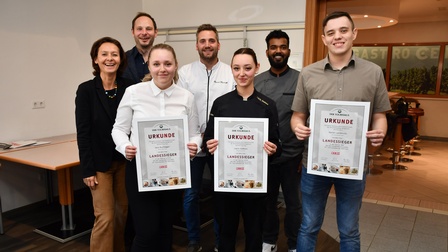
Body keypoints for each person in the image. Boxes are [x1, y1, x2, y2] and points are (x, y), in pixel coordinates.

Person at [290, 11, 390, 252]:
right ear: (324, 38)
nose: (338, 37)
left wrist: (379, 133)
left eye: (343, 30)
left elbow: (379, 116)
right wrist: (298, 129)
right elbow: (298, 116)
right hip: (314, 165)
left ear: (354, 34)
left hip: (353, 166)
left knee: (349, 230)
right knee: (309, 226)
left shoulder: (373, 72)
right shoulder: (308, 73)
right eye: (331, 32)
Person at [112, 43, 202, 252]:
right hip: (140, 172)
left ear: (175, 65)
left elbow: (195, 133)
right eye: (157, 63)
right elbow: (118, 129)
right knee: (146, 233)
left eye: (168, 63)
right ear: (149, 66)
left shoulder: (186, 97)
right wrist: (125, 146)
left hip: (173, 173)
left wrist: (194, 146)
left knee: (164, 230)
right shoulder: (134, 92)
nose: (163, 68)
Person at [203, 48, 281, 252]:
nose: (242, 73)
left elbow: (277, 145)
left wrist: (273, 149)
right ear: (232, 70)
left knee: (254, 234)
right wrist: (210, 145)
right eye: (237, 68)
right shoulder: (220, 104)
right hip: (226, 186)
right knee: (226, 234)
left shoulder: (267, 105)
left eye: (247, 68)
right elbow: (207, 141)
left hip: (254, 187)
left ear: (257, 68)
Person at [177, 23, 235, 252]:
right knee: (190, 195)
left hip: (220, 144)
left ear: (218, 44)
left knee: (221, 193)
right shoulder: (185, 73)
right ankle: (194, 240)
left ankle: (222, 241)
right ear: (196, 45)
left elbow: (232, 108)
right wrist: (194, 135)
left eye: (211, 41)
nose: (207, 45)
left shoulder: (230, 72)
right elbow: (180, 107)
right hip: (193, 144)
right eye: (203, 41)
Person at [75, 36, 133, 252]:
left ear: (121, 59)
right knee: (105, 216)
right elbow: (83, 133)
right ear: (95, 59)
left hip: (125, 162)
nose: (110, 58)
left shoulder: (130, 87)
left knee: (121, 214)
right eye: (104, 54)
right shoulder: (86, 90)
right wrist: (87, 169)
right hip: (99, 166)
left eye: (115, 54)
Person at [254, 30, 304, 252]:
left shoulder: (301, 79)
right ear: (267, 51)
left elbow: (307, 115)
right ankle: (269, 241)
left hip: (293, 156)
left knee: (294, 206)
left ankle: (293, 244)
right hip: (265, 157)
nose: (278, 51)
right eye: (273, 47)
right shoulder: (256, 82)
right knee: (267, 204)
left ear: (288, 51)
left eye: (282, 47)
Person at [122, 12, 158, 83]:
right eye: (139, 29)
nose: (144, 33)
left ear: (155, 32)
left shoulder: (163, 59)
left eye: (148, 29)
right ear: (133, 32)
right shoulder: (122, 59)